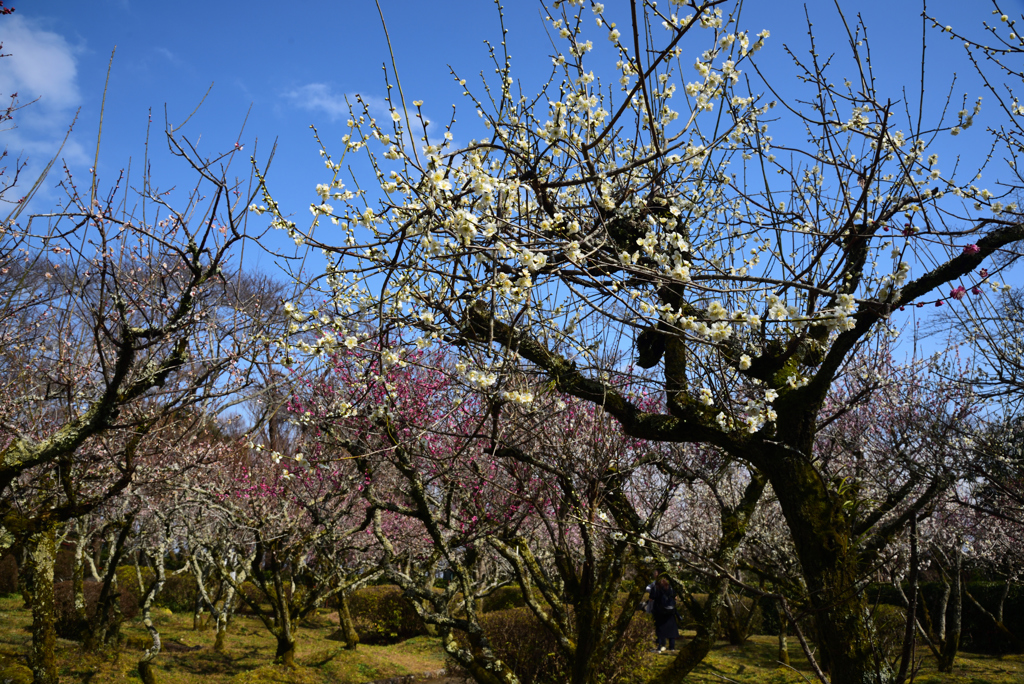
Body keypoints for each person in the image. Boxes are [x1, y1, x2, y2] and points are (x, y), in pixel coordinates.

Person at [649, 576, 678, 653]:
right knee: (672, 630)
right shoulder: (670, 587)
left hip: (659, 611)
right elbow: (675, 597)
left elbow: (651, 598)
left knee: (659, 630)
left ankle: (659, 647)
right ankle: (672, 647)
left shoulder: (656, 588)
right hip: (670, 611)